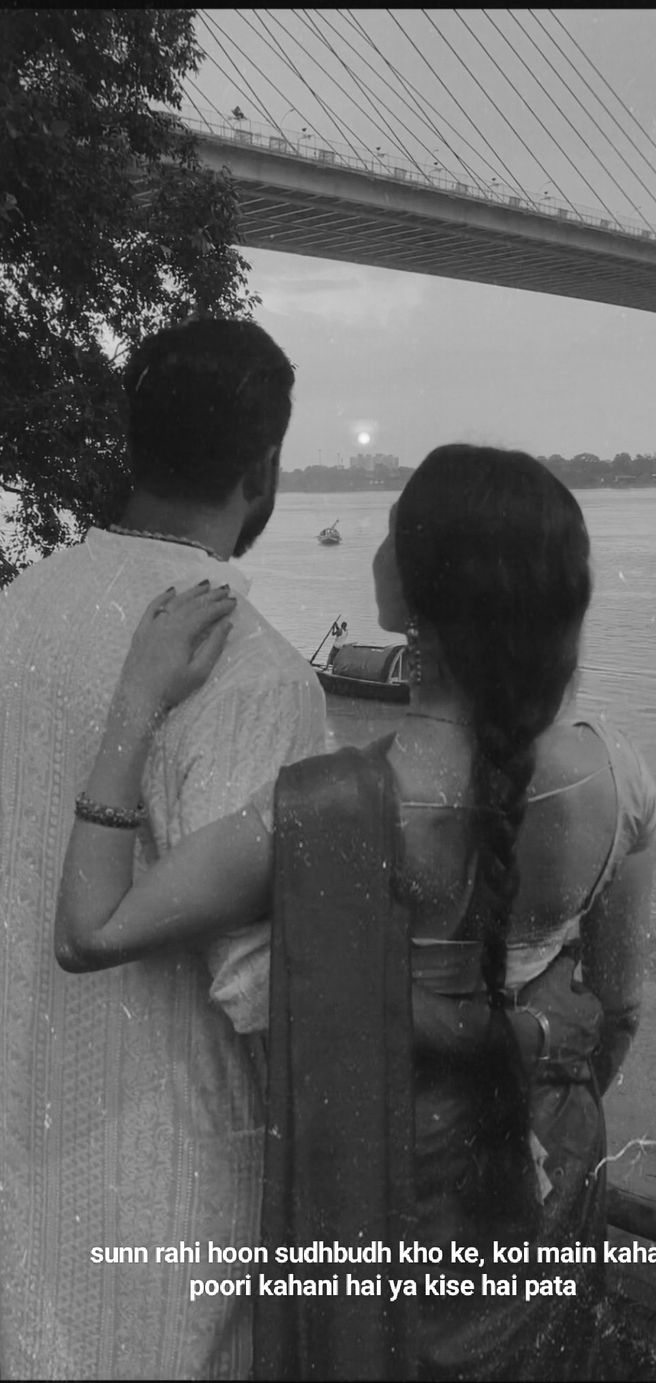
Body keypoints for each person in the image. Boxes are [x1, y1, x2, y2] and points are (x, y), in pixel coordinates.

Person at [56, 445, 656, 1381]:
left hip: (381, 1210)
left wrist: (137, 699)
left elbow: (90, 930)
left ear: (412, 593)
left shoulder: (321, 807)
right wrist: (528, 1084)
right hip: (548, 1178)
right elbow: (616, 1009)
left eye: (391, 530)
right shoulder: (623, 779)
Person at [0, 318, 328, 1380]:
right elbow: (267, 989)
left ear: (133, 446)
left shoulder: (17, 611)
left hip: (22, 1156)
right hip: (168, 1197)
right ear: (262, 465)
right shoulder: (258, 674)